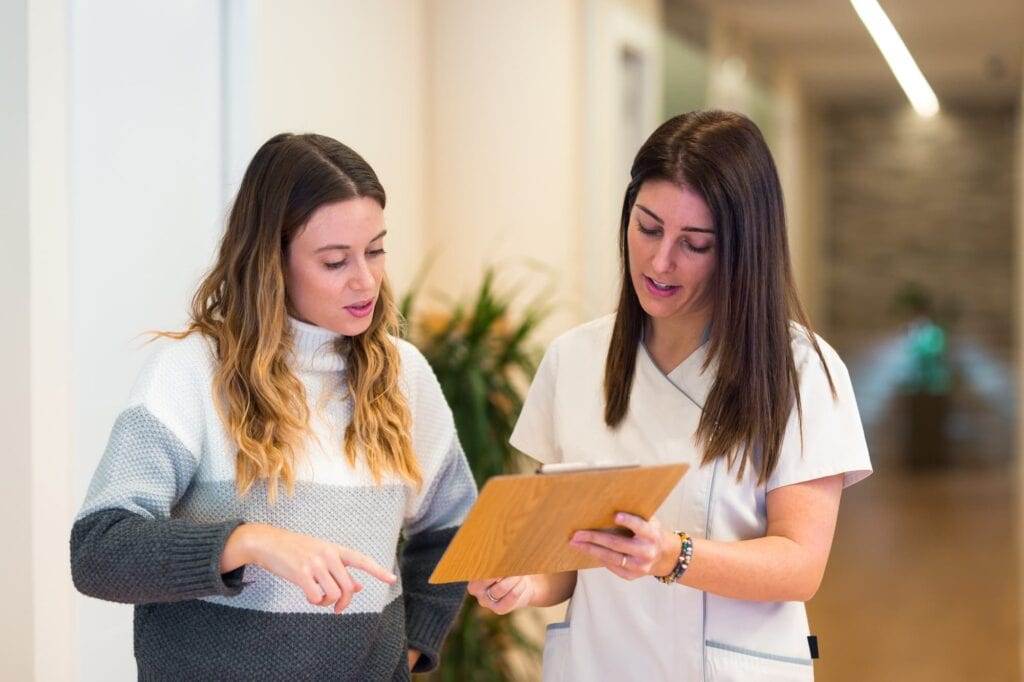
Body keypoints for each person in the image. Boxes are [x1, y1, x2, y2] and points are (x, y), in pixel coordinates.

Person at [468, 110, 871, 681]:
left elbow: (799, 564)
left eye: (694, 243)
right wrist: (523, 583)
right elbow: (565, 554)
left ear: (741, 249)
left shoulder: (800, 370)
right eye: (648, 227)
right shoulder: (575, 360)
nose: (660, 262)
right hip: (598, 665)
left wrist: (671, 556)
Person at [71, 133, 477, 680]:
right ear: (271, 262)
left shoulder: (403, 377)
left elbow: (453, 529)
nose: (366, 281)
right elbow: (99, 550)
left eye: (376, 250)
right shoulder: (190, 374)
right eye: (335, 261)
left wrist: (404, 651)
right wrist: (250, 541)